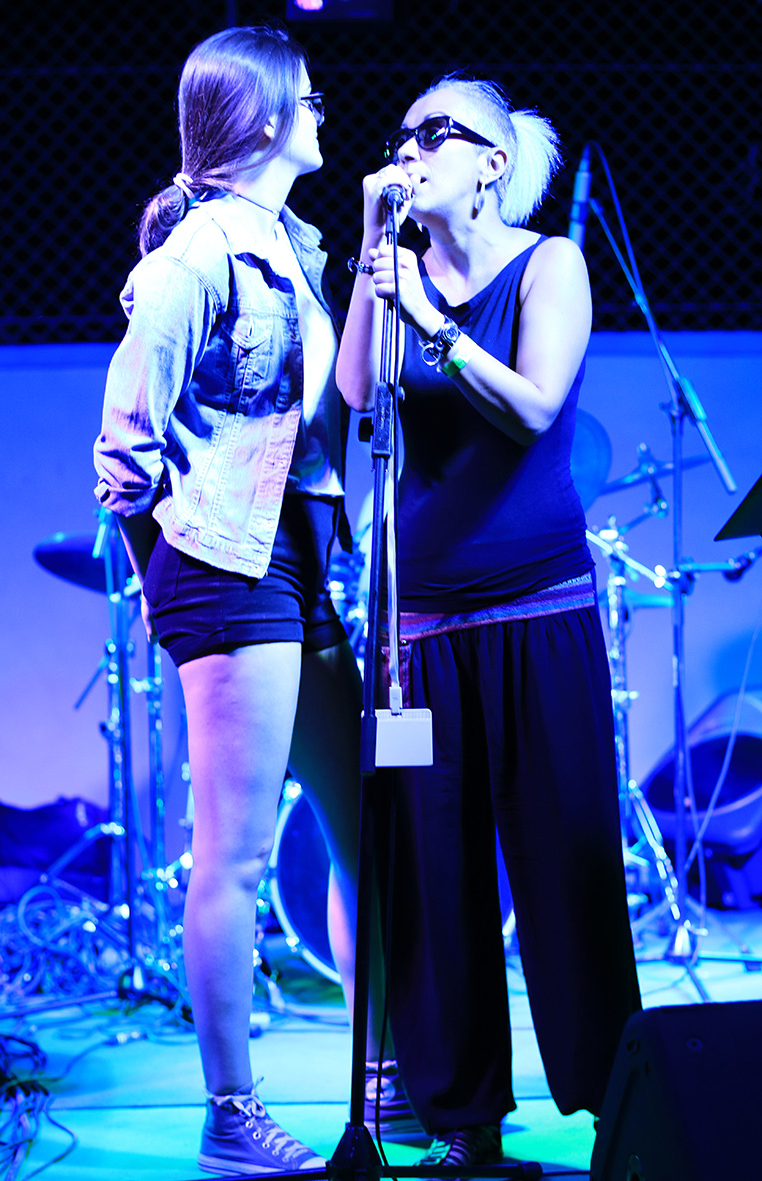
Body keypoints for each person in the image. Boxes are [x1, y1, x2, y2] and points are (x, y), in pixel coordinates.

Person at [94, 25, 410, 1176]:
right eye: (308, 99)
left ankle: (383, 1075)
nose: (325, 111)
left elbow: (341, 405)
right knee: (231, 852)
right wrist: (171, 578)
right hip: (228, 565)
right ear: (268, 119)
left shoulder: (291, 241)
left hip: (300, 555)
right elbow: (122, 444)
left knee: (366, 822)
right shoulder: (197, 255)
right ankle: (232, 1110)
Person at [336, 73, 642, 1169]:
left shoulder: (547, 264)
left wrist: (433, 324)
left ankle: (616, 1108)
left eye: (434, 134)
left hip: (539, 609)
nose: (408, 152)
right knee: (434, 874)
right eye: (401, 135)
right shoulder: (391, 272)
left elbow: (535, 406)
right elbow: (355, 395)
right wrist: (373, 263)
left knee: (565, 863)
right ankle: (465, 1123)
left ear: (492, 163)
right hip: (418, 627)